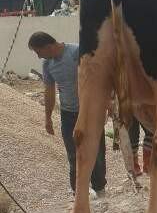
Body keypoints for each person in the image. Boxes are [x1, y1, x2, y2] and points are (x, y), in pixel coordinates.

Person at [28, 32, 106, 197]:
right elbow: (49, 91)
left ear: (48, 47)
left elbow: (98, 79)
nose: (38, 56)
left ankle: (100, 190)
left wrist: (106, 105)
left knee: (96, 152)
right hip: (68, 114)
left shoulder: (77, 52)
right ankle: (78, 193)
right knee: (73, 154)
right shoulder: (47, 64)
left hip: (90, 111)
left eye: (38, 52)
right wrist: (47, 117)